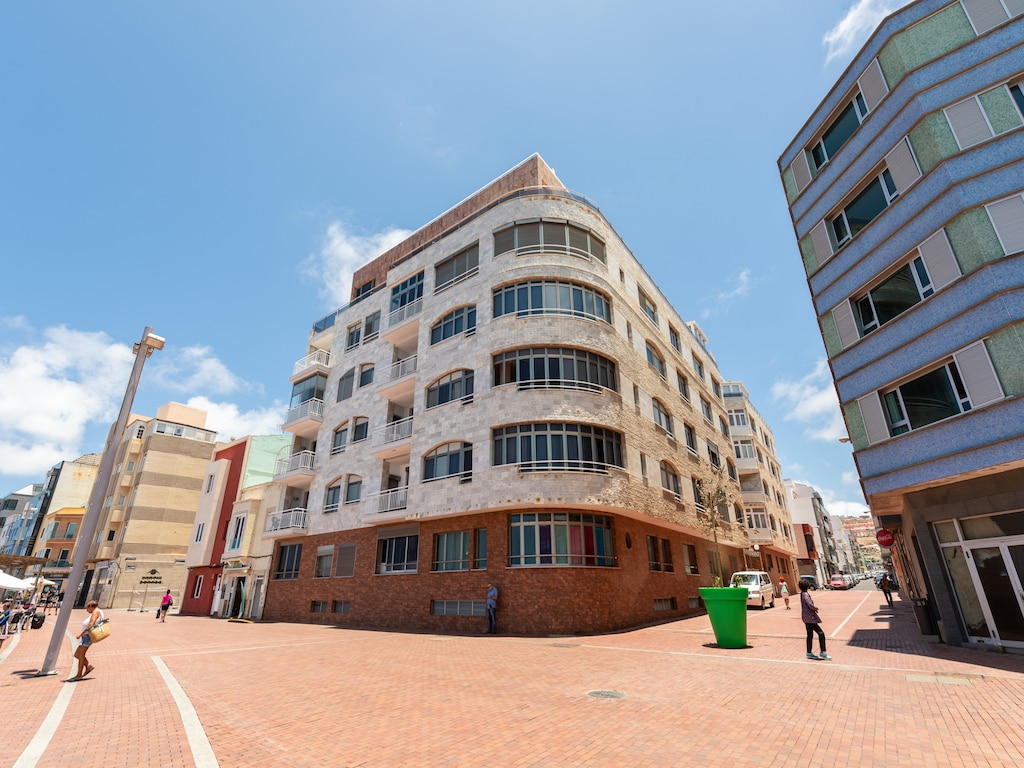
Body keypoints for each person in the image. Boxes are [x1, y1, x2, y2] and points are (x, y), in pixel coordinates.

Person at [70, 600, 104, 681]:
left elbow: (90, 625)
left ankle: (79, 674)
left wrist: (80, 634)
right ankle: (88, 666)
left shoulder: (96, 612)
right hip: (87, 636)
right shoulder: (99, 611)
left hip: (87, 636)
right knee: (77, 654)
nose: (86, 610)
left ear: (91, 607)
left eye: (87, 608)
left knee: (81, 655)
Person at [799, 579, 830, 660]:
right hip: (810, 618)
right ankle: (823, 652)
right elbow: (810, 604)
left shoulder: (802, 594)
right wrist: (815, 608)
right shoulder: (805, 594)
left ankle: (809, 652)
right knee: (821, 633)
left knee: (810, 635)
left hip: (805, 617)